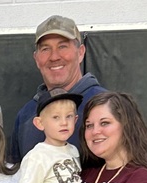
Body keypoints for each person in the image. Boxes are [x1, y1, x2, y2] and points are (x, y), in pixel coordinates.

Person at [8, 15, 106, 164]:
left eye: (62, 46)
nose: (54, 57)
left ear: (80, 53)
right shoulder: (26, 115)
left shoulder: (106, 105)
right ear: (36, 59)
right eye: (46, 49)